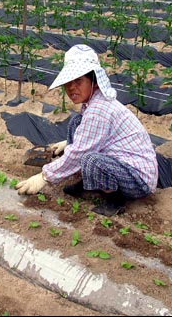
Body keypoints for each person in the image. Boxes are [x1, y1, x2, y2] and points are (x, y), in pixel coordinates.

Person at [15, 44, 158, 216]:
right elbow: (90, 134)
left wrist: (44, 177)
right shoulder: (93, 103)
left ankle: (116, 199)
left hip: (138, 178)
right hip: (119, 161)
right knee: (77, 122)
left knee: (90, 160)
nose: (71, 87)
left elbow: (81, 152)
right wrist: (68, 143)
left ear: (94, 80)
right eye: (68, 82)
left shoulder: (99, 110)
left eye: (79, 81)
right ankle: (89, 181)